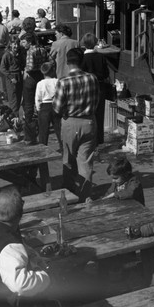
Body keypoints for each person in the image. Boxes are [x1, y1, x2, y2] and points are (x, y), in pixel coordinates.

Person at [52, 47, 99, 202]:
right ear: (82, 61)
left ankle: (69, 194)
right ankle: (85, 196)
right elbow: (97, 101)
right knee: (85, 161)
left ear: (67, 62)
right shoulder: (92, 78)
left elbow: (57, 108)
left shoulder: (63, 82)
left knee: (68, 161)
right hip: (89, 122)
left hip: (70, 122)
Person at [80, 32, 110, 145]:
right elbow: (106, 73)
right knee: (99, 114)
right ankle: (99, 139)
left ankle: (88, 139)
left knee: (87, 114)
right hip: (100, 87)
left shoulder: (83, 58)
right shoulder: (101, 57)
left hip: (87, 89)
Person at [20, 33, 49, 145]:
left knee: (28, 107)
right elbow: (51, 61)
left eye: (23, 42)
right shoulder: (43, 49)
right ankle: (41, 132)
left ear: (29, 42)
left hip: (31, 78)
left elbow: (30, 66)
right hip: (41, 76)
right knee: (40, 106)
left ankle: (29, 136)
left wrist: (26, 70)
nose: (22, 45)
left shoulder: (30, 51)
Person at [35, 62, 61, 149]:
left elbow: (38, 98)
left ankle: (43, 148)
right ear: (53, 71)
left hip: (44, 106)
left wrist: (39, 108)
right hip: (55, 105)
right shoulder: (57, 81)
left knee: (43, 131)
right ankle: (64, 149)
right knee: (59, 130)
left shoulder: (40, 83)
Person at [0, 37, 23, 116]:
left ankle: (16, 117)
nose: (16, 46)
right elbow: (2, 69)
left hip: (19, 76)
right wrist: (11, 77)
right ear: (11, 45)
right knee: (13, 99)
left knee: (19, 98)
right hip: (12, 78)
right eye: (14, 44)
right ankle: (14, 118)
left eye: (17, 44)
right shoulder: (7, 55)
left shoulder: (19, 54)